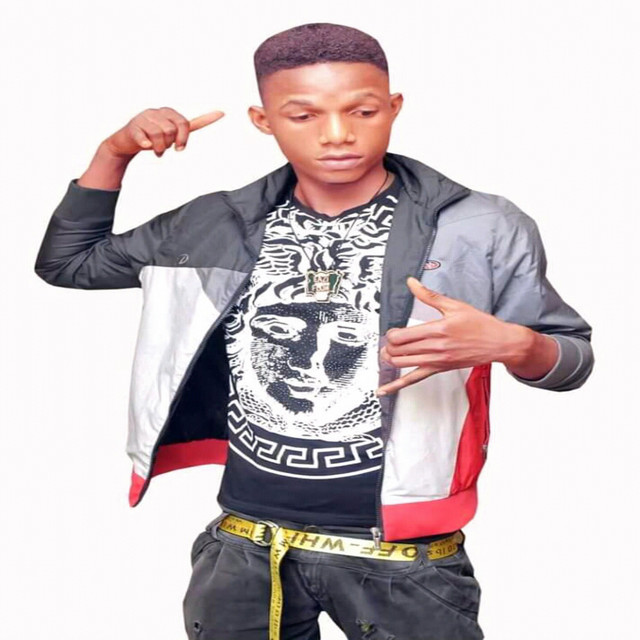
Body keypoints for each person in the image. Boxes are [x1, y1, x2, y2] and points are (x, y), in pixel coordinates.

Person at [34, 21, 594, 640]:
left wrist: (516, 344)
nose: (337, 134)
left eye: (362, 110)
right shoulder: (215, 222)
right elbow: (69, 264)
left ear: (394, 106)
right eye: (303, 115)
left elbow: (572, 359)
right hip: (245, 548)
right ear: (263, 120)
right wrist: (114, 152)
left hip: (405, 560)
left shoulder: (479, 224)